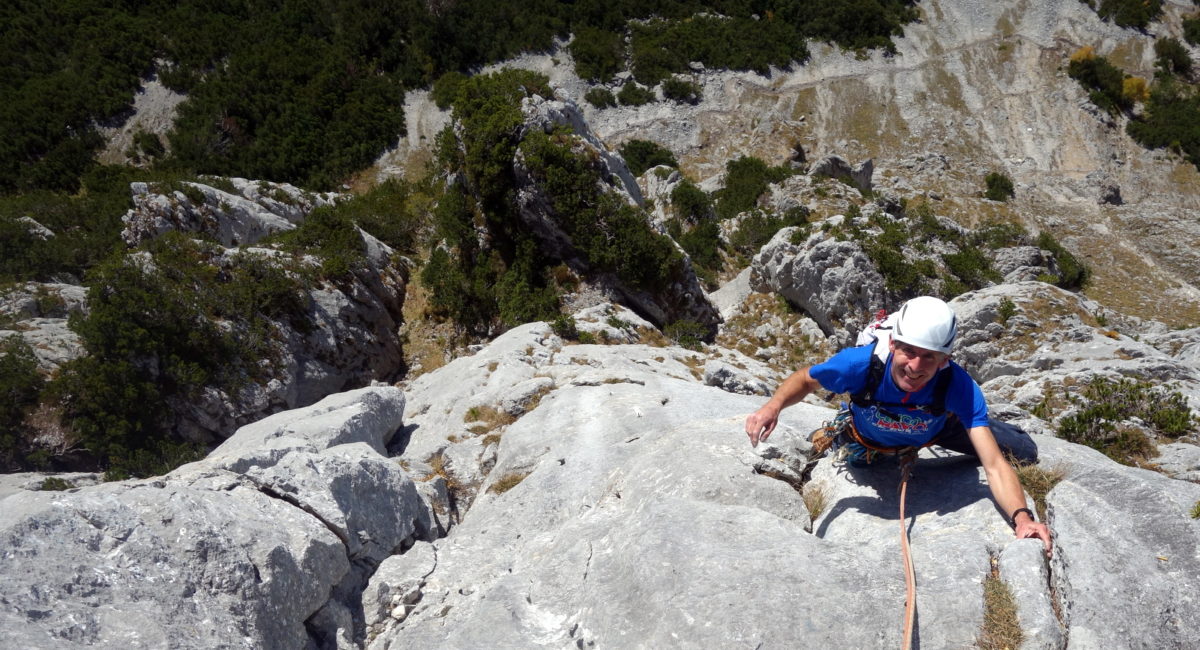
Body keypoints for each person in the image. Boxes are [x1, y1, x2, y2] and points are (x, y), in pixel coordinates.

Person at [744, 296, 1053, 555]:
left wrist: (1022, 519)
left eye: (929, 357)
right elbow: (806, 379)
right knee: (858, 462)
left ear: (945, 358)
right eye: (909, 352)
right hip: (868, 435)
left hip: (937, 429)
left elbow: (995, 466)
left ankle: (976, 420)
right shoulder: (858, 365)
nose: (916, 367)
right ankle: (838, 434)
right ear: (892, 343)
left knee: (1023, 451)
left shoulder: (958, 385)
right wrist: (772, 407)